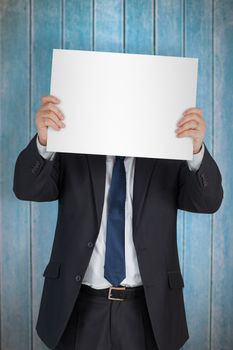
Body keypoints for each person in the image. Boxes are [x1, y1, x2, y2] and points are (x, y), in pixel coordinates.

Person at [13, 95, 223, 350]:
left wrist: (196, 150)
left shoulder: (170, 155)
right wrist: (44, 141)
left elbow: (207, 202)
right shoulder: (73, 151)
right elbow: (26, 189)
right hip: (78, 307)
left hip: (148, 312)